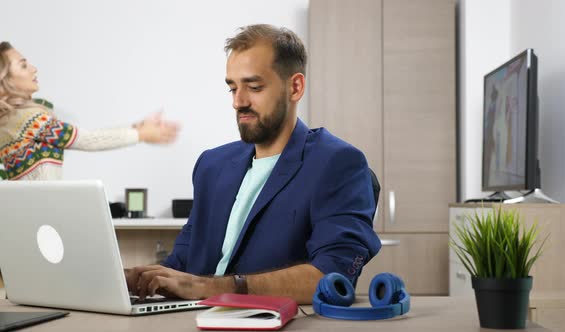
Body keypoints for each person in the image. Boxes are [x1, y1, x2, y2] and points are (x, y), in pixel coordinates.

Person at [126, 24, 381, 304]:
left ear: (295, 87)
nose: (238, 101)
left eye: (254, 87)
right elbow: (183, 262)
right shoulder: (211, 165)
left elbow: (333, 276)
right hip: (192, 318)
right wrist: (133, 279)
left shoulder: (338, 163)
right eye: (232, 88)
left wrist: (211, 288)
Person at [0, 41, 179, 180]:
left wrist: (138, 128)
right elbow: (88, 139)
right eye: (23, 65)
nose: (33, 69)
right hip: (39, 213)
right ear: (4, 79)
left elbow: (85, 136)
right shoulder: (29, 119)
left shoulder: (11, 120)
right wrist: (142, 134)